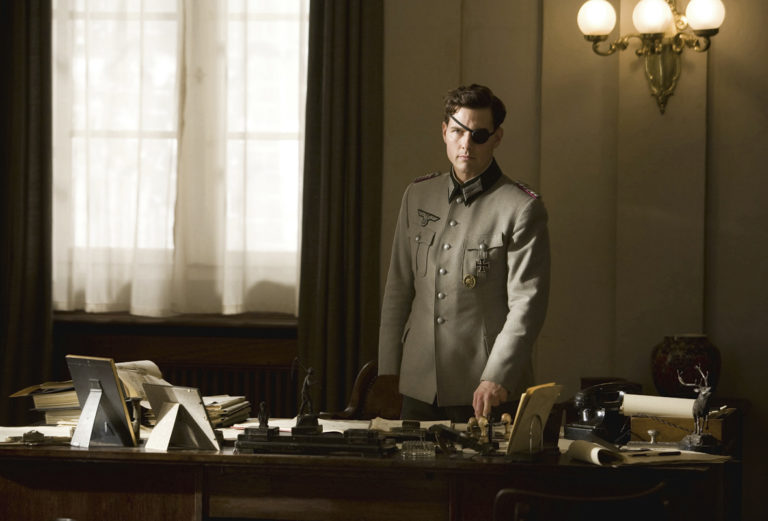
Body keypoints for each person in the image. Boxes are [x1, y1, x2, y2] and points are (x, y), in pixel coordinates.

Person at [378, 84, 550, 423]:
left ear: (497, 138)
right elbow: (398, 288)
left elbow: (527, 306)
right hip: (417, 383)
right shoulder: (417, 195)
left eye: (479, 135)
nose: (466, 144)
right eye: (458, 131)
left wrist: (497, 376)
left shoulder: (521, 207)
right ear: (444, 132)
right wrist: (388, 371)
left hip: (483, 387)